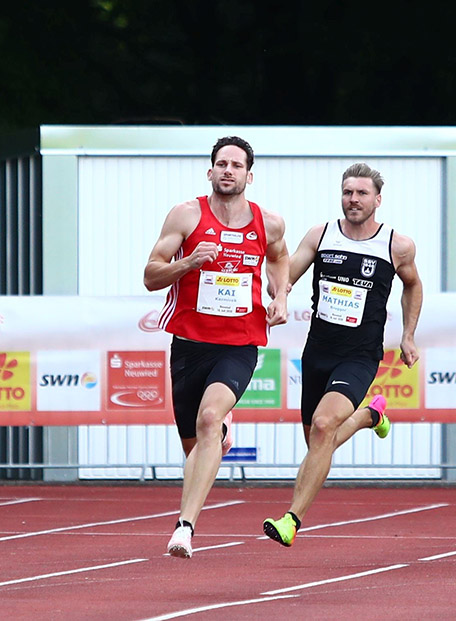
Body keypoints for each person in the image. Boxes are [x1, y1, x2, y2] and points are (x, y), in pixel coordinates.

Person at [262, 163, 423, 547]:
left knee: (323, 426)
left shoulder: (396, 245)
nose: (354, 199)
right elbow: (287, 276)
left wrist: (408, 335)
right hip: (317, 351)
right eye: (348, 192)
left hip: (360, 354)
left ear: (377, 200)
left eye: (362, 193)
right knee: (320, 442)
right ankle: (371, 415)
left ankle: (291, 520)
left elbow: (413, 286)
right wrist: (280, 295)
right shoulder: (321, 235)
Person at [144, 136, 289, 559]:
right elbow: (151, 276)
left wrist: (280, 296)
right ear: (210, 172)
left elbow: (278, 256)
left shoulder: (269, 222)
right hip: (189, 346)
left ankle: (184, 528)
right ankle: (220, 435)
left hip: (239, 344)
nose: (228, 170)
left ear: (249, 175)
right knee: (195, 448)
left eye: (236, 165)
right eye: (221, 164)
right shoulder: (187, 216)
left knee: (209, 418)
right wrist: (189, 262)